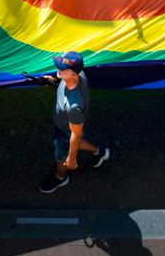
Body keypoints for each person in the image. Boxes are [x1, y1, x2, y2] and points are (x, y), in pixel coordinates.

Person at [37, 52, 110, 194]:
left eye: (61, 69)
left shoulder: (74, 106)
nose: (57, 69)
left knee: (61, 156)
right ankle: (98, 152)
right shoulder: (78, 73)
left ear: (72, 75)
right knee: (74, 142)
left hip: (66, 129)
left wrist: (71, 158)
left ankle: (61, 178)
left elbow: (75, 134)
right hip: (65, 125)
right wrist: (54, 80)